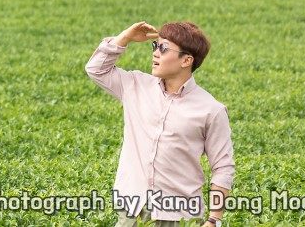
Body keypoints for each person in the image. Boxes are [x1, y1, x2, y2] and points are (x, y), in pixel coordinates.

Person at [86, 21, 235, 227]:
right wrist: (125, 37)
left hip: (179, 216)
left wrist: (213, 220)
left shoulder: (211, 109)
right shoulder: (135, 85)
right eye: (155, 46)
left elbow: (223, 167)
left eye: (163, 48)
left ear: (187, 60)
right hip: (131, 210)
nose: (155, 53)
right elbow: (96, 69)